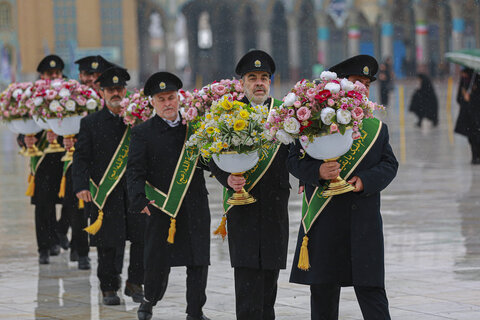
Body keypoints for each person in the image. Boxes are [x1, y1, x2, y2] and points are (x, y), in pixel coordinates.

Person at [288, 54, 399, 320]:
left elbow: (389, 164)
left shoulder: (376, 128)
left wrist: (365, 180)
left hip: (363, 219)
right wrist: (317, 171)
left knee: (371, 289)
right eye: (356, 81)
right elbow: (293, 161)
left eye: (366, 83)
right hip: (325, 218)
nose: (362, 87)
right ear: (341, 84)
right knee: (324, 291)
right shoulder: (313, 121)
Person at [209, 50, 290, 320]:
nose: (259, 83)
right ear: (242, 82)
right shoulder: (228, 113)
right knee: (246, 284)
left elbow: (299, 154)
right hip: (242, 209)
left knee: (269, 285)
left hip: (274, 209)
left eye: (264, 77)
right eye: (252, 77)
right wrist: (227, 178)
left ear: (270, 82)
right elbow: (212, 157)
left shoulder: (284, 116)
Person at [128, 72, 211, 320]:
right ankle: (149, 300)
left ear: (179, 98)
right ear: (152, 102)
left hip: (194, 203)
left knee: (198, 259)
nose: (168, 103)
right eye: (161, 99)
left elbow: (209, 161)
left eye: (171, 97)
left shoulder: (195, 127)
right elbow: (134, 170)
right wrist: (138, 199)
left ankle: (195, 310)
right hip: (161, 204)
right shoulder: (143, 132)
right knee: (157, 259)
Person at [72, 67, 145, 305]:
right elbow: (80, 157)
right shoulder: (90, 123)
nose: (116, 93)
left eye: (120, 88)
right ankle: (109, 287)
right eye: (110, 89)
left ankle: (135, 282)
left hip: (135, 190)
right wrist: (81, 185)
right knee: (108, 243)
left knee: (141, 238)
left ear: (126, 90)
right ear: (102, 92)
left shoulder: (138, 120)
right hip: (105, 192)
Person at [21, 54, 66, 264]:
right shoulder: (32, 97)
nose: (54, 76)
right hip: (42, 158)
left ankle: (59, 234)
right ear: (41, 75)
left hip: (66, 158)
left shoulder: (71, 95)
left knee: (71, 202)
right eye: (50, 74)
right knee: (43, 204)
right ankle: (44, 248)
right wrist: (25, 140)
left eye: (57, 73)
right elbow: (22, 126)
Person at [454, 68, 480, 164]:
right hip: (467, 114)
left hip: (477, 114)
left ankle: (477, 156)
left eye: (464, 74)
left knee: (477, 136)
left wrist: (471, 97)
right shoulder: (464, 81)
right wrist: (464, 98)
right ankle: (474, 156)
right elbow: (458, 97)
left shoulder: (476, 79)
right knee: (471, 137)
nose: (463, 76)